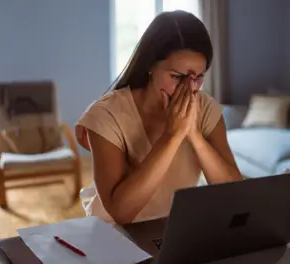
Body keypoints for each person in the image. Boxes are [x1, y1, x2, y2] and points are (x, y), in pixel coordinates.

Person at [75, 10, 242, 224]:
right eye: (177, 76)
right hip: (113, 235)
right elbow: (121, 213)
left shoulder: (206, 109)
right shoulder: (106, 114)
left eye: (198, 77)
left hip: (170, 230)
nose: (190, 88)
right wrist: (172, 135)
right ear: (151, 66)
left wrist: (194, 135)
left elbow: (233, 194)